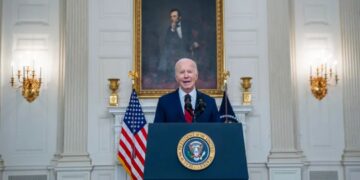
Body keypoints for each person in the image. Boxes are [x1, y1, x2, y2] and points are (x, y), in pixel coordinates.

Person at [154, 58, 220, 123]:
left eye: (189, 72)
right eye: (182, 72)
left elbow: (218, 131)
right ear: (176, 77)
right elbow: (157, 132)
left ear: (196, 76)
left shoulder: (210, 102)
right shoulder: (164, 102)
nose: (186, 76)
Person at [158, 9, 201, 79]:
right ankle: (165, 75)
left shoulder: (186, 26)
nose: (172, 18)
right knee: (166, 54)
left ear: (179, 17)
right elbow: (167, 42)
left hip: (186, 49)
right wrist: (172, 29)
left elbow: (191, 37)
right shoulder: (170, 29)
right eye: (171, 17)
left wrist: (194, 42)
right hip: (175, 50)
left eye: (174, 16)